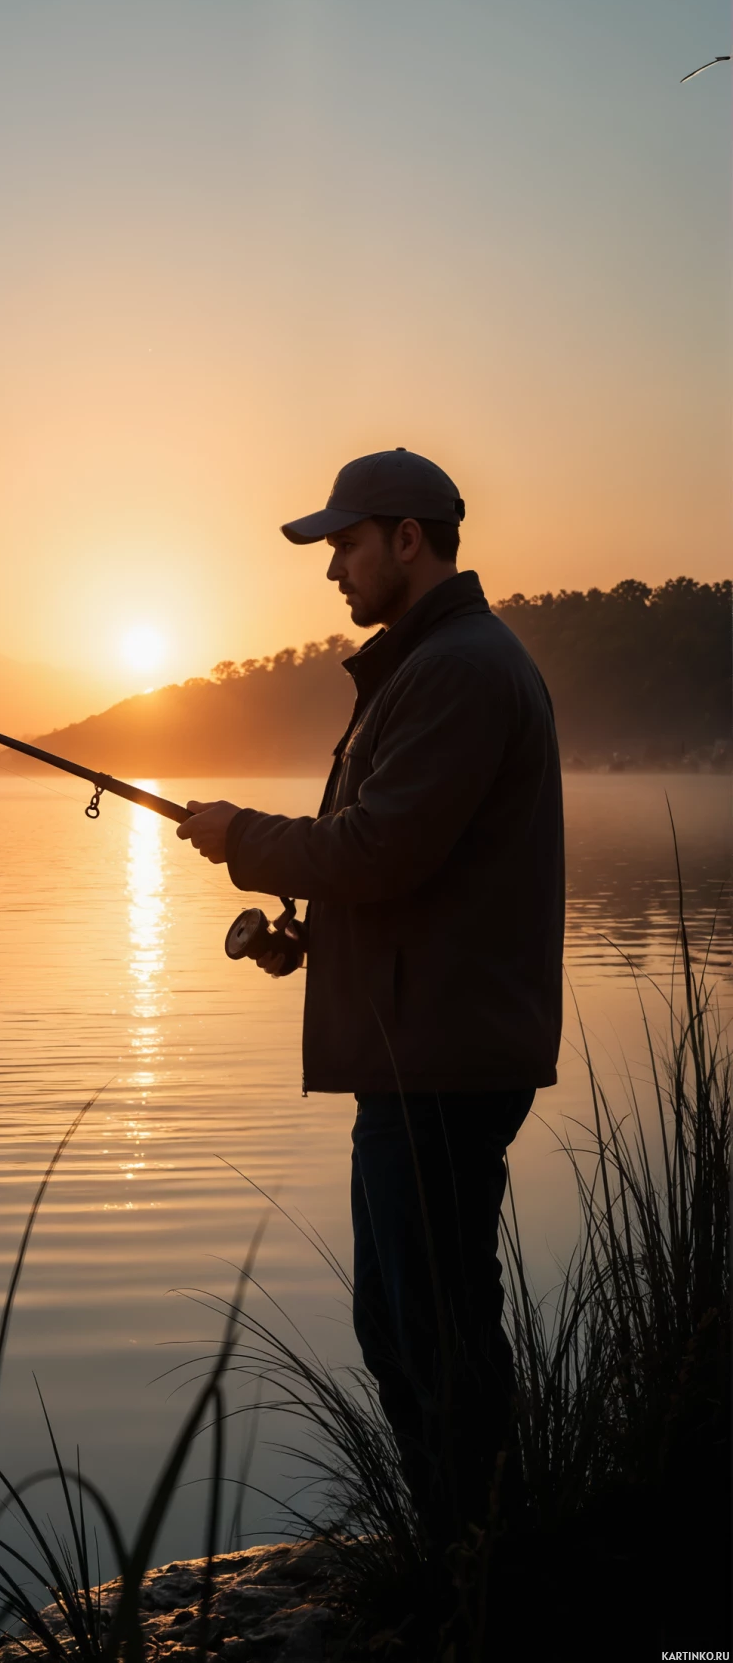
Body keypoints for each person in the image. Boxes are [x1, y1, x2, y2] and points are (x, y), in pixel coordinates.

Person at [176, 447, 563, 1552]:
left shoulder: (458, 672)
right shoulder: (426, 667)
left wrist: (240, 838)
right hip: (413, 1048)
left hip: (439, 1060)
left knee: (431, 1334)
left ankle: (484, 1577)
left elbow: (380, 848)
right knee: (399, 1329)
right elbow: (402, 865)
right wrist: (311, 925)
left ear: (408, 538)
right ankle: (462, 1557)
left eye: (344, 542)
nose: (331, 567)